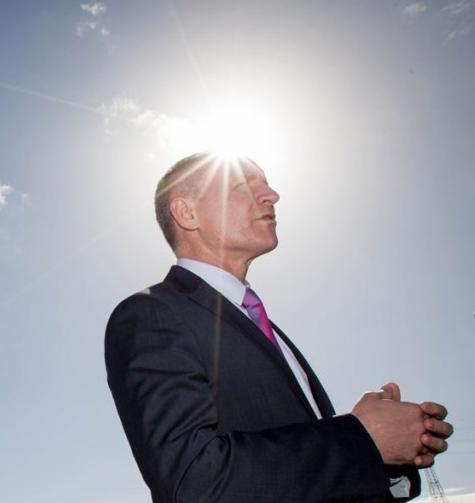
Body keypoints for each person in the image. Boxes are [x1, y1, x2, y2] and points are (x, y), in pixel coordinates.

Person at [104, 152, 452, 502]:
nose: (272, 194)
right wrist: (361, 436)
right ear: (187, 213)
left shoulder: (264, 327)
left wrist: (386, 455)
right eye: (243, 185)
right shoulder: (151, 314)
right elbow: (195, 484)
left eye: (266, 183)